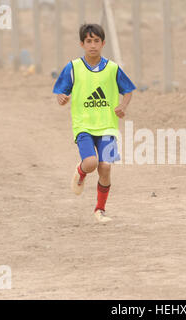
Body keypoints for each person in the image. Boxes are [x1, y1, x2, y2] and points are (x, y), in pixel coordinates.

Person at [53, 24, 136, 223]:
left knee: (105, 167)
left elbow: (128, 90)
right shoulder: (73, 67)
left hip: (107, 126)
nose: (92, 45)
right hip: (84, 125)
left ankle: (100, 210)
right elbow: (61, 92)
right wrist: (62, 98)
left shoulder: (113, 68)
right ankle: (81, 172)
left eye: (96, 41)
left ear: (103, 43)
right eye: (88, 41)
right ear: (82, 44)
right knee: (91, 163)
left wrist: (123, 106)